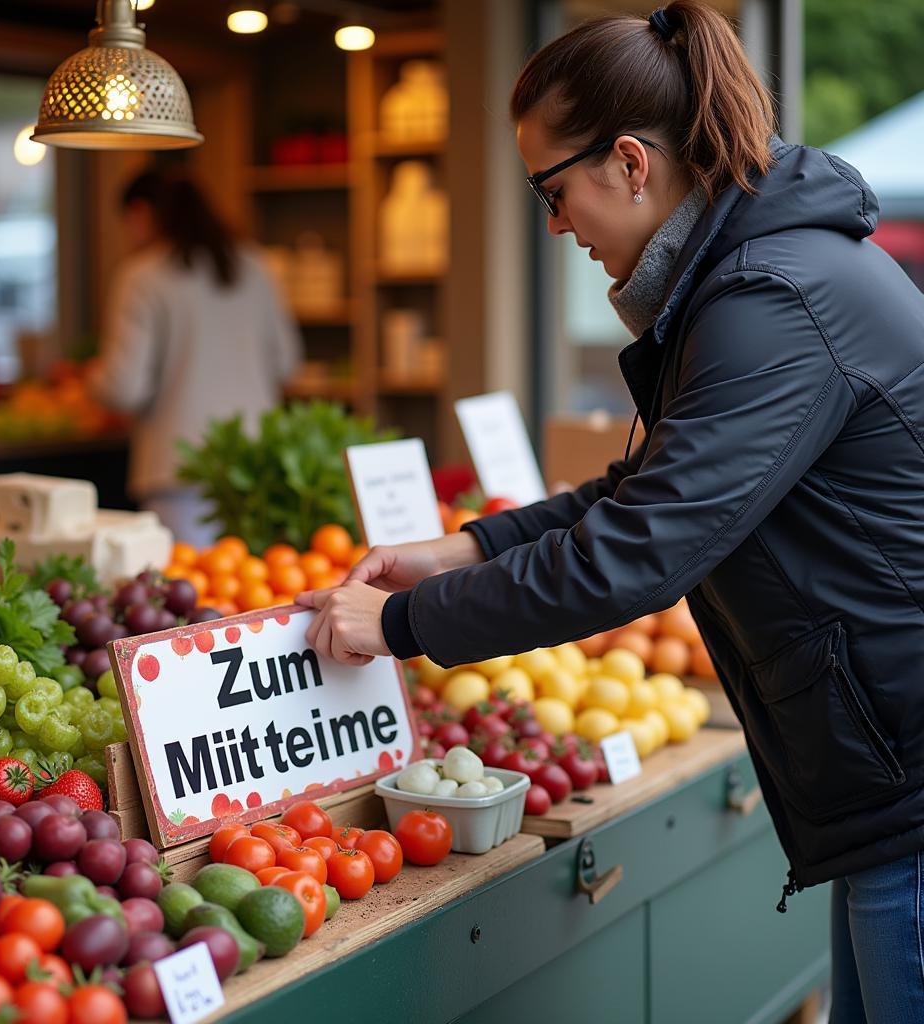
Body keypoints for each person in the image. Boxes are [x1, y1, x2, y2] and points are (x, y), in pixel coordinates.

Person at [296, 3, 924, 1020]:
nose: (554, 225)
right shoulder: (753, 276)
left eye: (553, 190)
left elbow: (636, 554)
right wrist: (460, 548)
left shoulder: (770, 299)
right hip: (888, 766)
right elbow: (645, 493)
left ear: (629, 163)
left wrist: (406, 624)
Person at [88, 167, 302, 546]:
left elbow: (124, 387)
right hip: (254, 469)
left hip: (178, 473)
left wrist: (91, 377)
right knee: (250, 590)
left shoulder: (143, 275)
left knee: (189, 592)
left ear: (141, 214)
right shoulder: (256, 266)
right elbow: (287, 362)